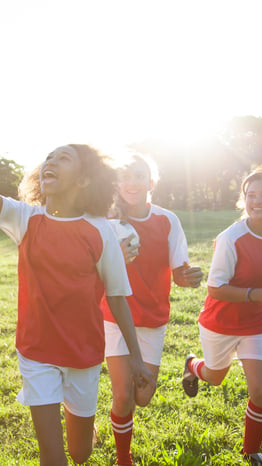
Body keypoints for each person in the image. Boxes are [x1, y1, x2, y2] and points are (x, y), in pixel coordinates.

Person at [0, 95, 155, 466]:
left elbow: (117, 299)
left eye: (63, 157)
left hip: (83, 354)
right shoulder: (26, 218)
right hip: (36, 351)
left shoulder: (100, 232)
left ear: (84, 179)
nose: (50, 161)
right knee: (53, 456)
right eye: (48, 157)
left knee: (80, 454)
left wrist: (136, 358)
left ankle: (85, 427)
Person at [181, 166, 262, 465]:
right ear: (243, 199)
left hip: (257, 323)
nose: (257, 201)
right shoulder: (231, 237)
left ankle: (252, 449)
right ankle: (193, 366)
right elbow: (215, 287)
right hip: (220, 322)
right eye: (251, 195)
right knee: (215, 377)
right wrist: (254, 294)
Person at [101, 154, 203, 466]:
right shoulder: (104, 221)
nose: (131, 182)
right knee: (122, 396)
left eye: (139, 175)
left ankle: (189, 365)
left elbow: (179, 272)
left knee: (142, 398)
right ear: (115, 183)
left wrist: (189, 278)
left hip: (152, 319)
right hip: (115, 317)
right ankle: (123, 458)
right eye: (124, 176)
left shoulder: (167, 220)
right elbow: (87, 269)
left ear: (151, 182)